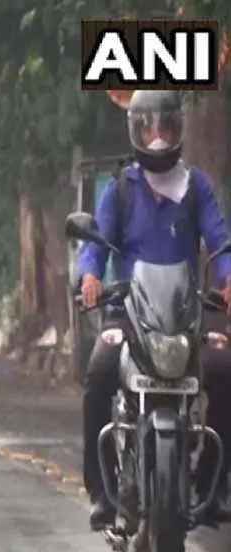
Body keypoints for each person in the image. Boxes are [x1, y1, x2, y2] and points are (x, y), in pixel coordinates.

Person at [77, 89, 231, 530]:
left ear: (178, 129)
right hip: (128, 310)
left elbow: (219, 243)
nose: (158, 136)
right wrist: (89, 276)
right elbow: (95, 245)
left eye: (166, 126)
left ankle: (211, 485)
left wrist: (227, 278)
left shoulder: (196, 187)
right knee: (99, 373)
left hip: (185, 313)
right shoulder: (120, 190)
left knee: (223, 369)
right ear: (136, 131)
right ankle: (101, 491)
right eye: (149, 127)